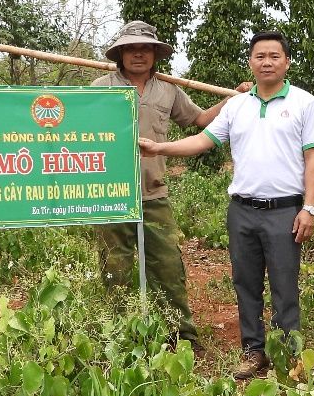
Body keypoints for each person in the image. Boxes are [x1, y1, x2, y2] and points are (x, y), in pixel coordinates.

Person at [138, 30, 314, 380]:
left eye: (274, 56)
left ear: (286, 61)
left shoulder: (304, 103)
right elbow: (201, 140)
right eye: (260, 56)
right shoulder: (237, 105)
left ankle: (288, 356)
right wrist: (160, 148)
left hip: (285, 210)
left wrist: (309, 208)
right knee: (245, 283)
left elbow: (313, 159)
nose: (266, 62)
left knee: (285, 284)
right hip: (242, 210)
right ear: (251, 62)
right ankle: (253, 352)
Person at [93, 20, 238, 348]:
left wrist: (232, 100)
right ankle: (117, 336)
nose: (138, 54)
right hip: (109, 194)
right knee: (115, 266)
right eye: (131, 48)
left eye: (145, 49)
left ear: (156, 54)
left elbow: (199, 120)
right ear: (121, 53)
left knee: (168, 266)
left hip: (154, 192)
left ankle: (180, 334)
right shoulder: (101, 87)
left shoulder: (168, 89)